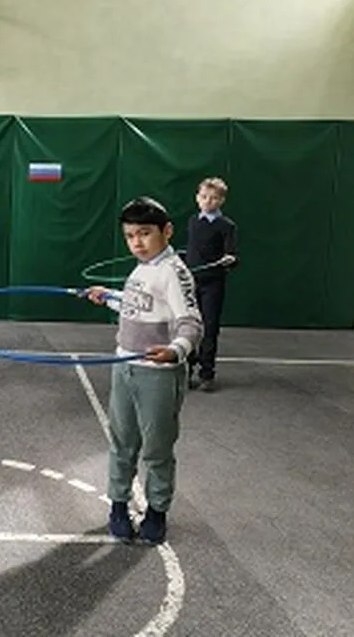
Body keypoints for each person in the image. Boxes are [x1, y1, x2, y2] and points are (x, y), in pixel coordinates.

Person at [85, 197, 203, 545]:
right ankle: (118, 506)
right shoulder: (142, 268)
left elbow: (191, 324)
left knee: (157, 448)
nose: (137, 242)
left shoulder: (174, 272)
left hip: (158, 376)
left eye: (145, 233)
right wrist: (108, 295)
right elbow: (137, 304)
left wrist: (175, 351)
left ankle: (156, 512)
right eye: (130, 236)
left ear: (167, 231)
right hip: (125, 367)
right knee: (121, 442)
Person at [184, 177, 238, 392]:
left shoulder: (227, 226)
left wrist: (230, 259)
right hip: (191, 281)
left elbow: (232, 253)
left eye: (214, 198)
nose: (208, 201)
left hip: (213, 283)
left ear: (221, 201)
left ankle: (207, 373)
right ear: (197, 198)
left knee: (210, 327)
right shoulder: (193, 221)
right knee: (189, 325)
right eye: (204, 197)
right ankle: (187, 370)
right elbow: (192, 250)